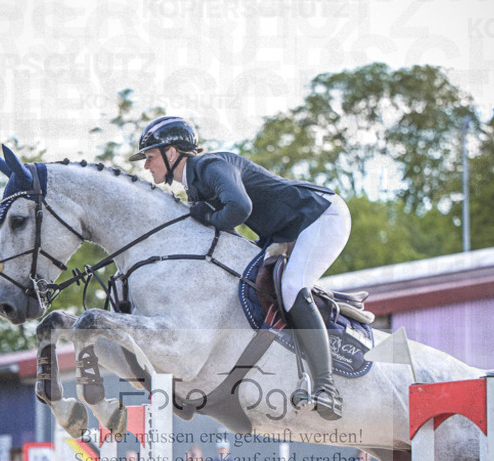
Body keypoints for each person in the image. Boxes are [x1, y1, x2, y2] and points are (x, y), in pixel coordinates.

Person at [129, 116, 352, 422]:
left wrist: (208, 217)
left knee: (291, 288)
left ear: (171, 153)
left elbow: (239, 208)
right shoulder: (195, 187)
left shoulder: (210, 166)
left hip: (319, 216)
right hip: (283, 231)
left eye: (151, 157)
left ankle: (327, 388)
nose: (146, 166)